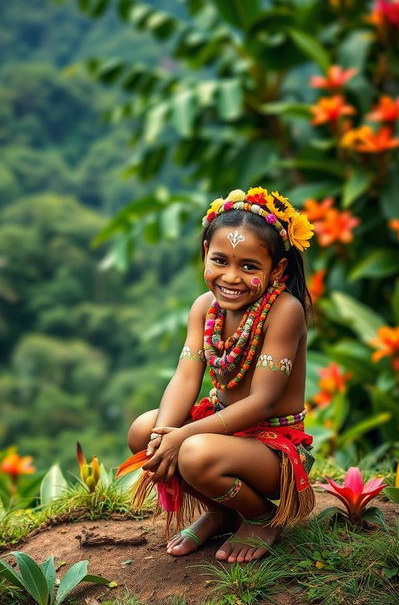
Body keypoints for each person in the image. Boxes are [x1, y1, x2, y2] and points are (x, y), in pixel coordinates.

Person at [126, 186, 316, 564]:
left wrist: (184, 436)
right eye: (220, 261)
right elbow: (184, 379)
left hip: (273, 449)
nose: (231, 277)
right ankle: (221, 511)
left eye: (249, 266)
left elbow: (262, 402)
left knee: (194, 453)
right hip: (222, 433)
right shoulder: (203, 308)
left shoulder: (285, 311)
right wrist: (165, 434)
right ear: (204, 255)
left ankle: (262, 517)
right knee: (143, 432)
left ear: (276, 270)